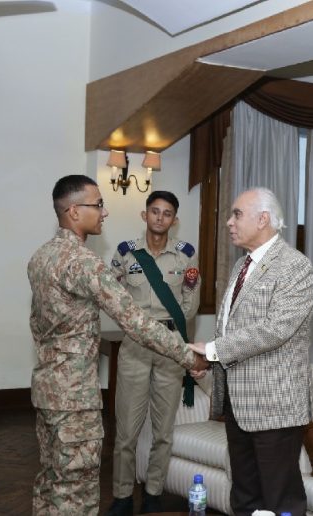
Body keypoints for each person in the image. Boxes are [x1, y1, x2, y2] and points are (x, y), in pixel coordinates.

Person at [27, 175, 208, 515]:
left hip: (47, 386)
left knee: (51, 480)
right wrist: (189, 356)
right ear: (74, 211)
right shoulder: (84, 263)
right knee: (75, 491)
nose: (104, 212)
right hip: (75, 395)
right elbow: (135, 321)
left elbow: (37, 324)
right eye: (98, 205)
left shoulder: (41, 257)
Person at [190, 187, 313, 516]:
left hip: (276, 407)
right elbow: (233, 328)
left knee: (280, 501)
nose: (229, 222)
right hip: (239, 405)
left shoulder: (294, 266)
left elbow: (274, 330)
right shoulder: (241, 266)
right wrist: (210, 361)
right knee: (245, 499)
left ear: (263, 219)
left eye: (237, 214)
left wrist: (213, 350)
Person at [107, 191, 201, 515]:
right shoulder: (126, 253)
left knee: (163, 432)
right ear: (144, 215)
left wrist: (171, 333)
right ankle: (122, 497)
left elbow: (190, 304)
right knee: (126, 433)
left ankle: (153, 495)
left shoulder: (185, 255)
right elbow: (113, 297)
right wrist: (135, 326)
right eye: (155, 211)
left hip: (170, 347)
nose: (160, 218)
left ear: (174, 220)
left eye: (167, 213)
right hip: (134, 345)